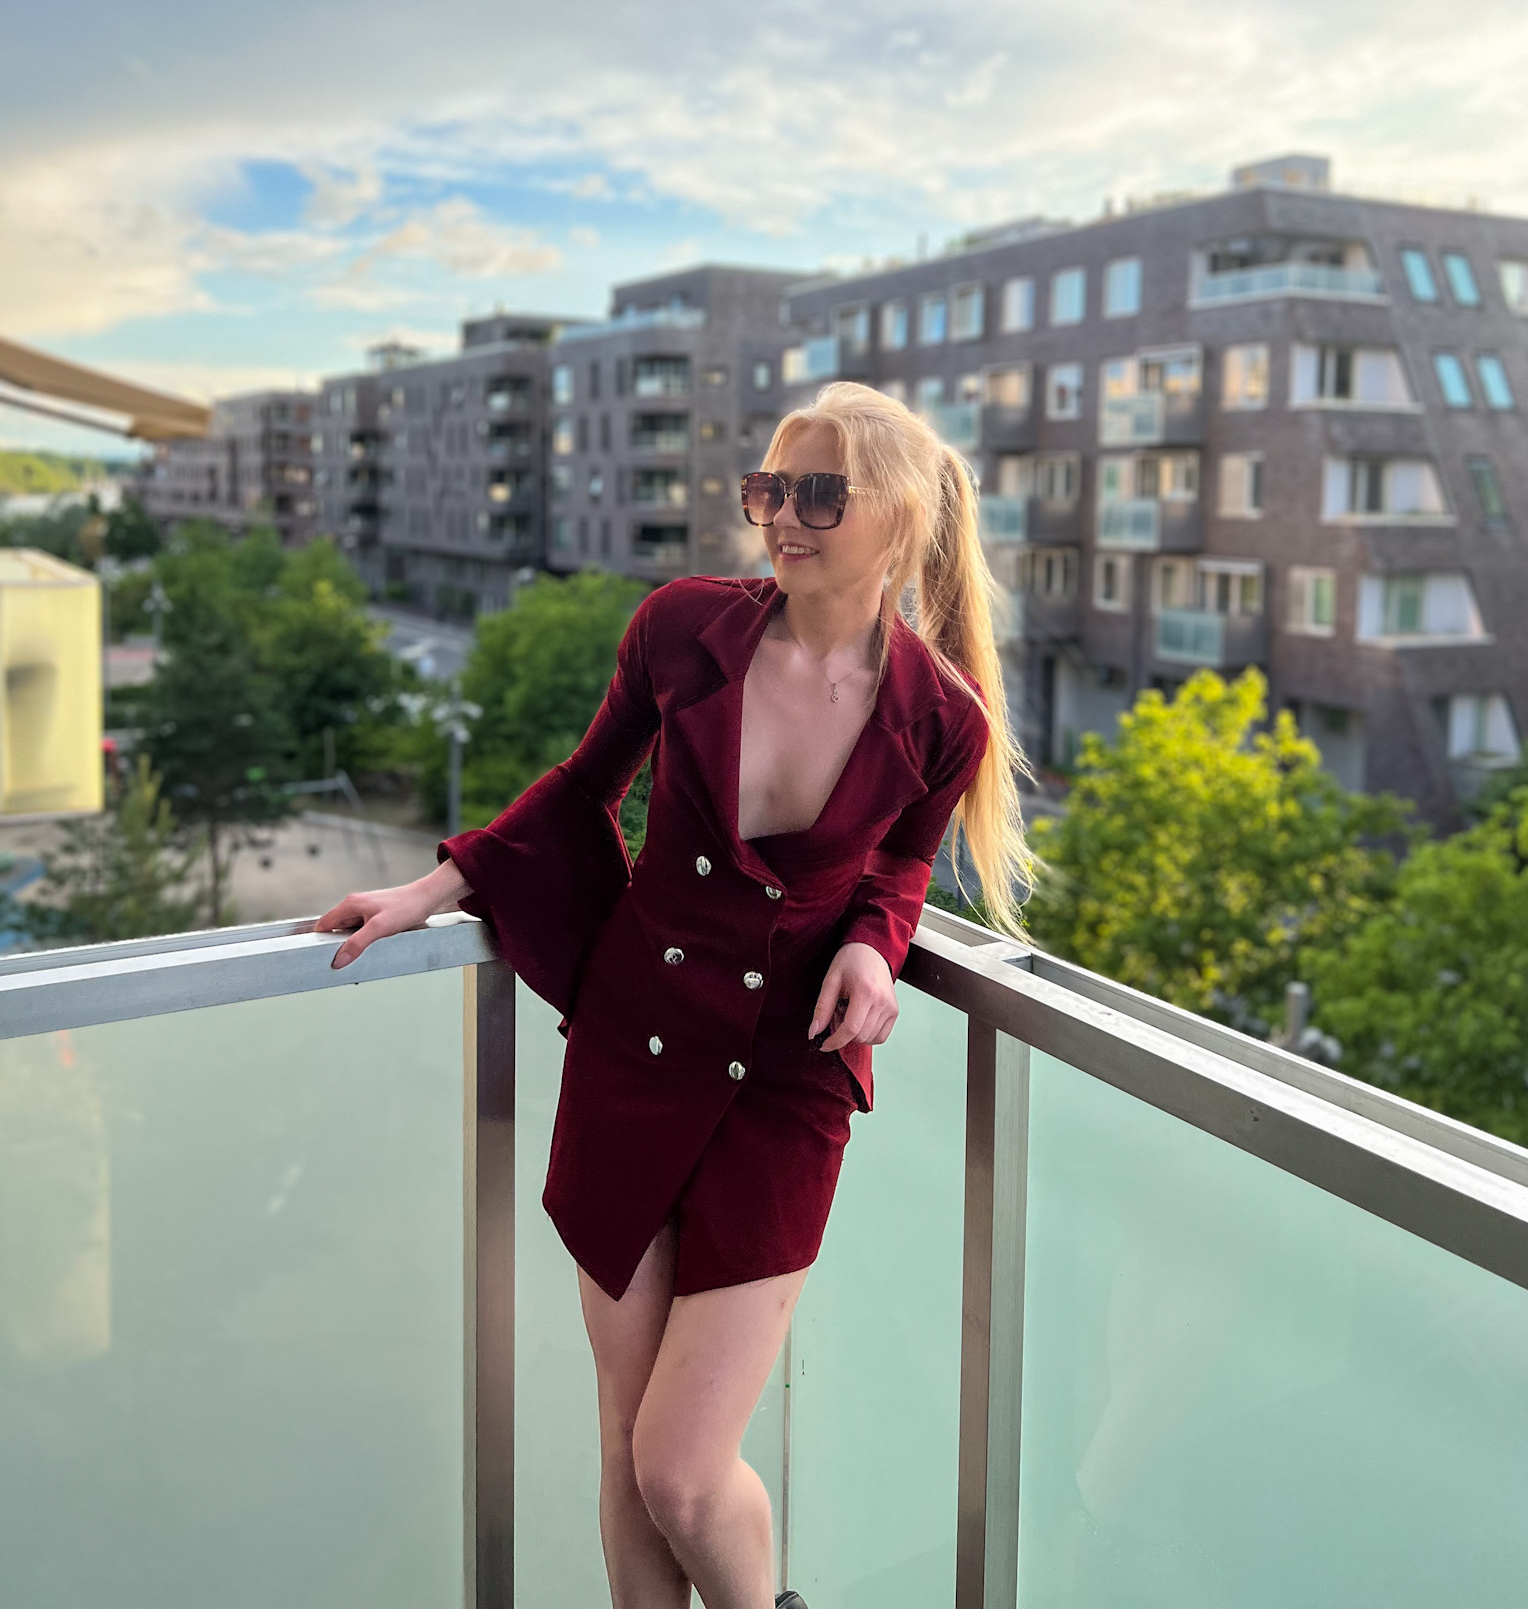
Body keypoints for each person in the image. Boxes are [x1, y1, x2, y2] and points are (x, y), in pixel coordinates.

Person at [314, 380, 1037, 1609]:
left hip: (784, 1082)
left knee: (684, 1469)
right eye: (769, 488)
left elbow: (904, 863)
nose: (783, 515)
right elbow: (581, 783)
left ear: (904, 517)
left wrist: (875, 942)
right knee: (623, 1440)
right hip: (631, 1055)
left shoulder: (942, 718)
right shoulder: (682, 628)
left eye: (819, 491)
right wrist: (427, 891)